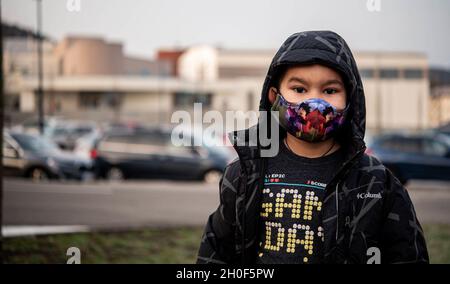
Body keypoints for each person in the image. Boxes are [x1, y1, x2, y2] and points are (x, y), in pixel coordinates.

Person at [196, 30, 429, 264]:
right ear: (274, 96)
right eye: (299, 89)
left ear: (351, 100)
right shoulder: (244, 173)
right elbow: (217, 250)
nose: (315, 104)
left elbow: (407, 255)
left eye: (330, 91)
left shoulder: (377, 182)